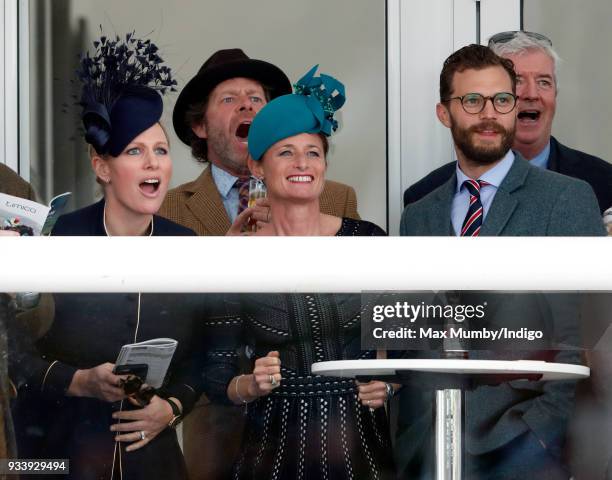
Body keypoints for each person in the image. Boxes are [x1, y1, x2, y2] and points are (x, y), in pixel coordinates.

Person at [396, 44, 606, 480]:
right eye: (472, 101)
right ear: (443, 112)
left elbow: (581, 334)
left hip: (524, 441)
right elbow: (412, 329)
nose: (489, 113)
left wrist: (543, 433)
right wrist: (414, 427)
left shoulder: (566, 197)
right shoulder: (419, 210)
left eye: (501, 100)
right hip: (431, 440)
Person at [9, 34, 205, 480]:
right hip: (53, 455)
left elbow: (209, 354)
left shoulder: (187, 247)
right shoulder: (58, 238)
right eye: (135, 151)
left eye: (160, 151)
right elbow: (14, 348)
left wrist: (171, 408)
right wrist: (78, 381)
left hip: (152, 459)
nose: (153, 163)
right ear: (102, 166)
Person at [201, 65, 395, 480]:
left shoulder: (368, 240)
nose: (301, 163)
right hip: (270, 453)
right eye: (285, 152)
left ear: (324, 163)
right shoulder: (237, 256)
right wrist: (249, 386)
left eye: (313, 151)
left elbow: (406, 349)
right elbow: (216, 376)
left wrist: (387, 384)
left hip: (362, 450)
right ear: (258, 166)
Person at [403, 31, 612, 215]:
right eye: (517, 81)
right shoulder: (424, 197)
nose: (531, 94)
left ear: (556, 95)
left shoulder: (602, 183)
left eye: (544, 82)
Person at [159, 48, 361, 236]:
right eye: (228, 99)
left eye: (255, 99)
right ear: (200, 125)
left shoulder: (338, 198)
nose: (246, 104)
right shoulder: (166, 208)